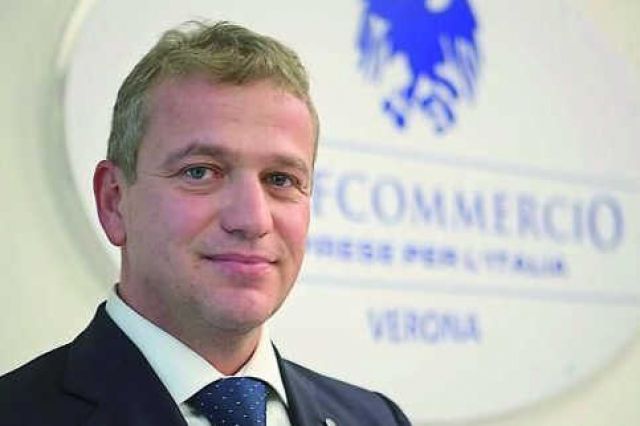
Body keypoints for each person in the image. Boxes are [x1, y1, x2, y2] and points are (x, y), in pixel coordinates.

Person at [0, 20, 410, 425]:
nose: (252, 220)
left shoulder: (376, 418)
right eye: (200, 172)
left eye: (280, 179)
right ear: (114, 202)